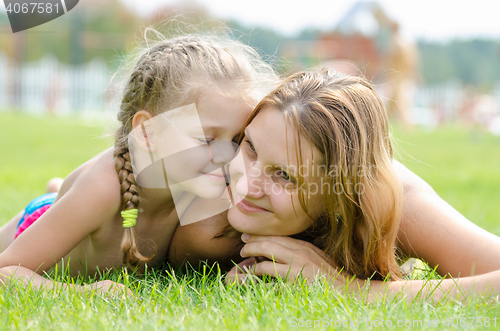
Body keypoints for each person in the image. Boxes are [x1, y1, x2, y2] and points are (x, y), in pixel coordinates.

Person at [169, 68, 500, 302]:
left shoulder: (385, 200)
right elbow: (128, 155)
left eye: (284, 176)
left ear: (336, 195)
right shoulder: (211, 155)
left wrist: (351, 290)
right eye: (251, 147)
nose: (248, 185)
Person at [0, 32, 276, 294]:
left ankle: (58, 188)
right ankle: (55, 195)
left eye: (237, 139)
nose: (227, 155)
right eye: (206, 139)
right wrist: (83, 293)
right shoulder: (103, 189)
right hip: (38, 220)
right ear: (147, 132)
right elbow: (6, 270)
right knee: (67, 201)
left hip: (88, 206)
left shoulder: (198, 181)